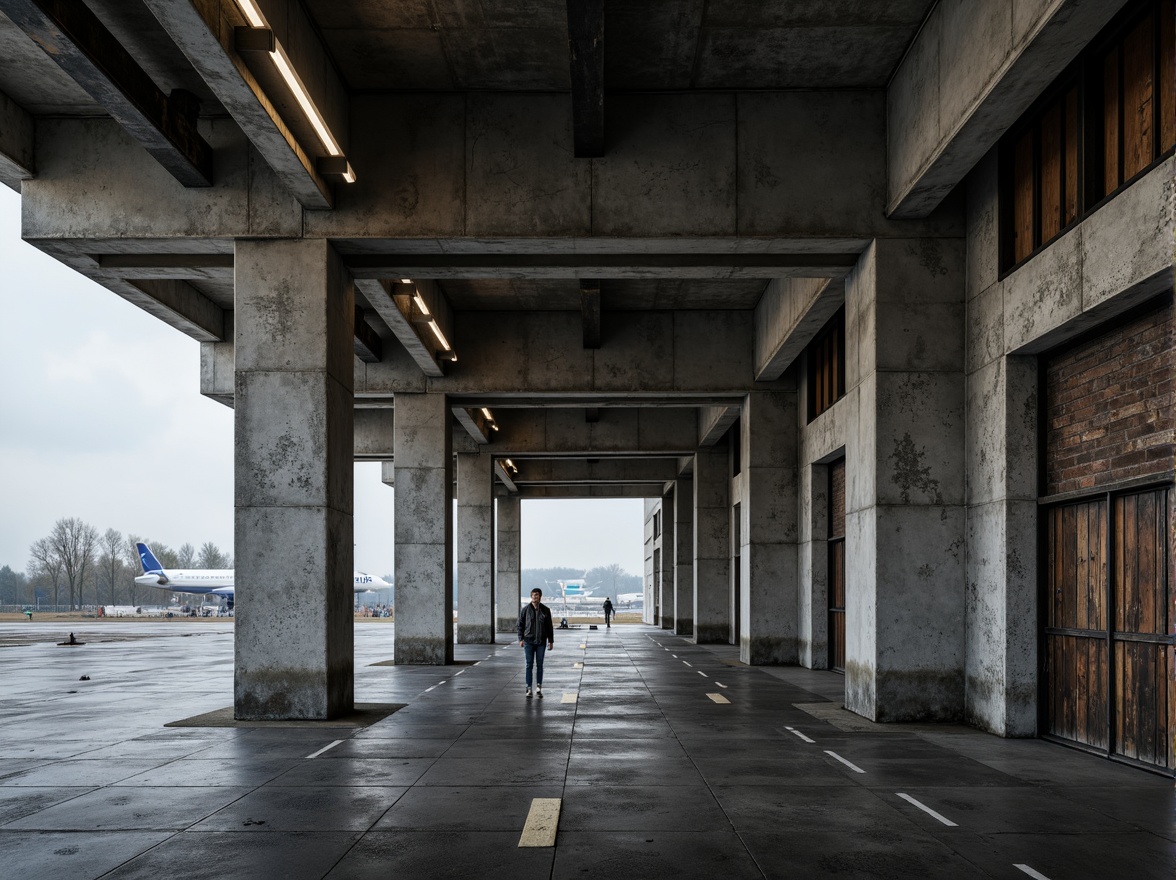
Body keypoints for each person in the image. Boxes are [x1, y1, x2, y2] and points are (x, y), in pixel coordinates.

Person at [517, 588, 554, 698]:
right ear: (531, 596)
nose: (535, 597)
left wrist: (551, 641)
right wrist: (520, 639)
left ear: (540, 596)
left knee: (540, 665)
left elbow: (549, 627)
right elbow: (520, 625)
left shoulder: (545, 610)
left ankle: (538, 687)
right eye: (533, 595)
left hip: (541, 642)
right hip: (528, 641)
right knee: (529, 665)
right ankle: (528, 688)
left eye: (536, 595)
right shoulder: (525, 610)